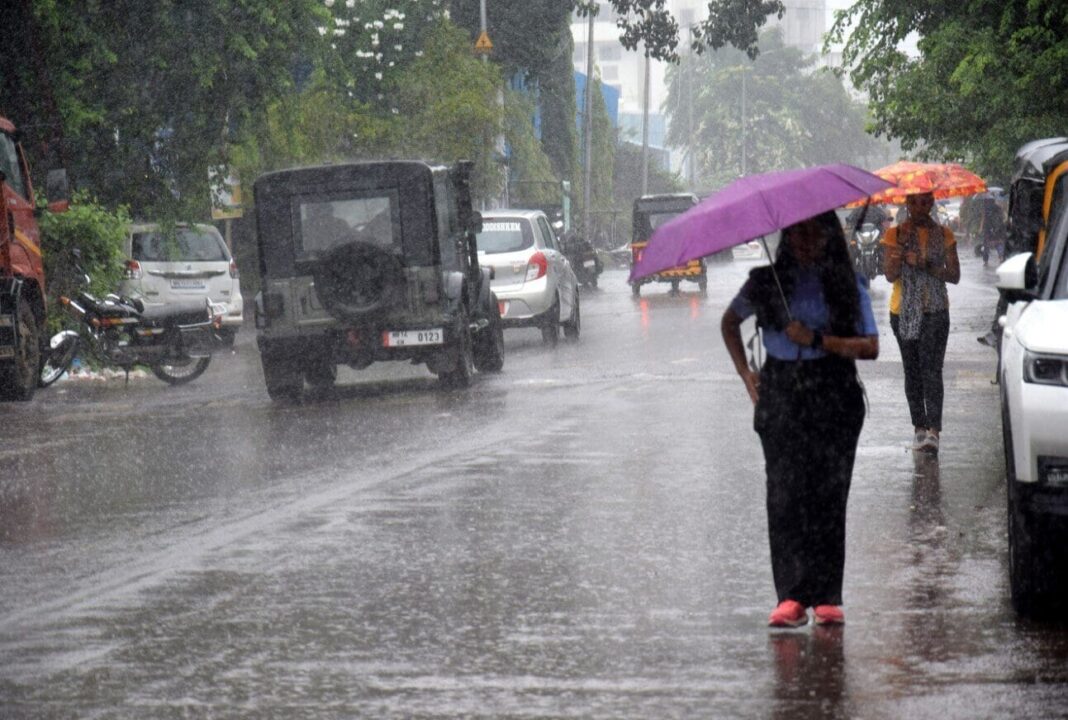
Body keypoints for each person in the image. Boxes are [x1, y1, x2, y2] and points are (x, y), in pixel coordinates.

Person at [721, 210, 879, 628]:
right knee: (785, 493)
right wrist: (746, 374)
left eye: (813, 232)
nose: (805, 240)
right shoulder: (763, 282)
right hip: (782, 393)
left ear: (829, 236)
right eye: (796, 233)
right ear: (786, 237)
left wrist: (817, 340)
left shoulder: (849, 284)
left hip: (834, 392)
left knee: (828, 493)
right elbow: (729, 323)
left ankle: (827, 595)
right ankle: (791, 596)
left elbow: (870, 347)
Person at [882, 191, 961, 454]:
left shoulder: (944, 234)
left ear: (932, 203)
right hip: (903, 311)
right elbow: (890, 275)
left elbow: (954, 275)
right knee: (912, 371)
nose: (920, 207)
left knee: (932, 370)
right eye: (914, 201)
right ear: (907, 203)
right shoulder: (895, 234)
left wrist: (925, 263)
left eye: (925, 201)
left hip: (936, 311)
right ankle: (919, 427)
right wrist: (900, 253)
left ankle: (934, 432)